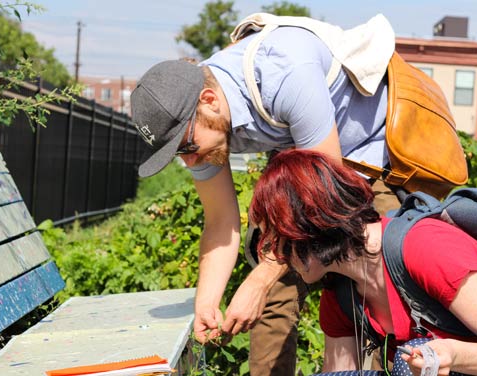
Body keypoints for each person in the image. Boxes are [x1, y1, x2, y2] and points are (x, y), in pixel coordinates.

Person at [130, 13, 406, 375]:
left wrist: (259, 281)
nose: (191, 160)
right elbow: (220, 221)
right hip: (308, 165)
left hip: (367, 158)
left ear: (210, 100)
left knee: (377, 262)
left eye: (189, 147)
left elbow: (325, 197)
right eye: (180, 154)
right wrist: (208, 301)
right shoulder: (199, 125)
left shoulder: (286, 73)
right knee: (276, 282)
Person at [248, 149, 477, 376]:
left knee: (413, 356)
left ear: (311, 224)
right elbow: (341, 372)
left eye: (277, 238)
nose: (274, 254)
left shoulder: (423, 246)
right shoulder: (341, 290)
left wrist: (452, 354)